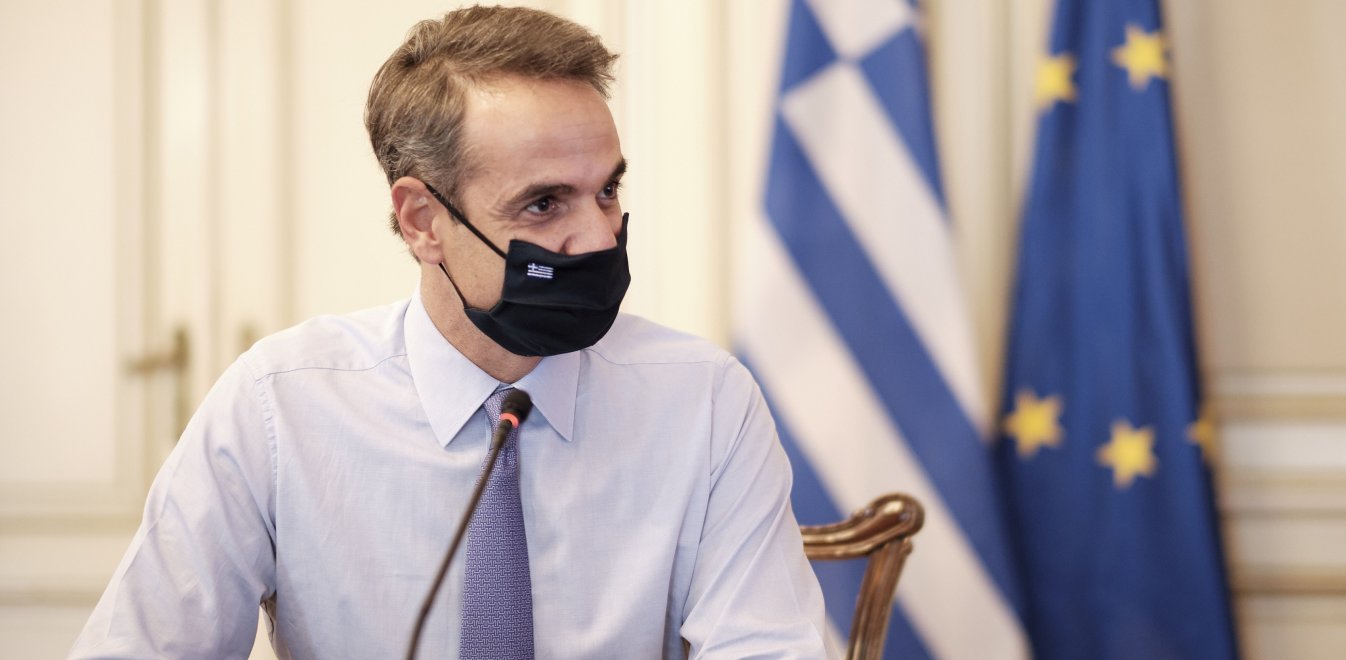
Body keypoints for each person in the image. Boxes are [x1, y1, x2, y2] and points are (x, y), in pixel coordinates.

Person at [71, 5, 827, 658]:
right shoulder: (277, 407)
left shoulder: (705, 402)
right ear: (423, 220)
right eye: (544, 204)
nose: (599, 238)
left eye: (607, 190)